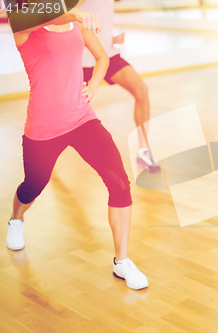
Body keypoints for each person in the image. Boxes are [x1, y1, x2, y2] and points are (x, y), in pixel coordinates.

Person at [5, 4, 148, 290]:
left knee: (119, 182)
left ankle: (122, 261)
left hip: (83, 119)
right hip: (44, 129)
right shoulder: (23, 24)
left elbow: (101, 58)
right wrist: (76, 15)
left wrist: (94, 83)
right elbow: (43, 15)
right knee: (33, 185)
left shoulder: (76, 22)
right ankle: (16, 219)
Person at [79, 0, 159, 172]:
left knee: (141, 90)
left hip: (107, 54)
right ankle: (46, 153)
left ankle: (144, 150)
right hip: (80, 59)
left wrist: (110, 38)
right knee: (66, 112)